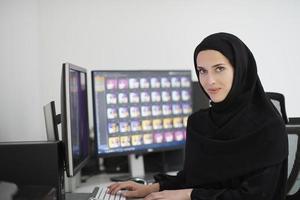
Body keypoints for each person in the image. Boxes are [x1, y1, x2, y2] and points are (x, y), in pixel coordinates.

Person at [108, 32, 289, 200]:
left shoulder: (268, 128)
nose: (209, 80)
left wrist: (189, 195)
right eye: (202, 70)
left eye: (219, 69)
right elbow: (193, 177)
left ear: (240, 69)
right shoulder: (199, 123)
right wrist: (151, 188)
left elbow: (257, 196)